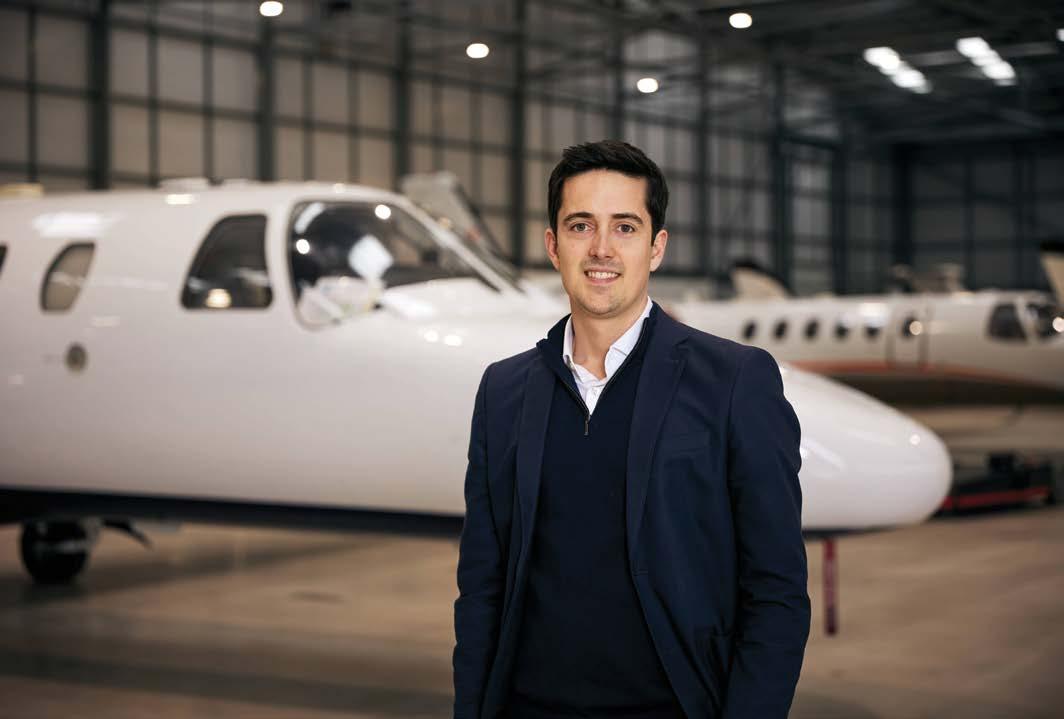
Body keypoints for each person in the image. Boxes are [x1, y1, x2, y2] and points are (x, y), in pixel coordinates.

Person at [453, 140, 809, 719]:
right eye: (580, 226)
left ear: (656, 247)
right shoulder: (503, 390)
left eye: (624, 227)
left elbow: (776, 590)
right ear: (553, 245)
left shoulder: (734, 381)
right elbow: (481, 587)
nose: (601, 248)